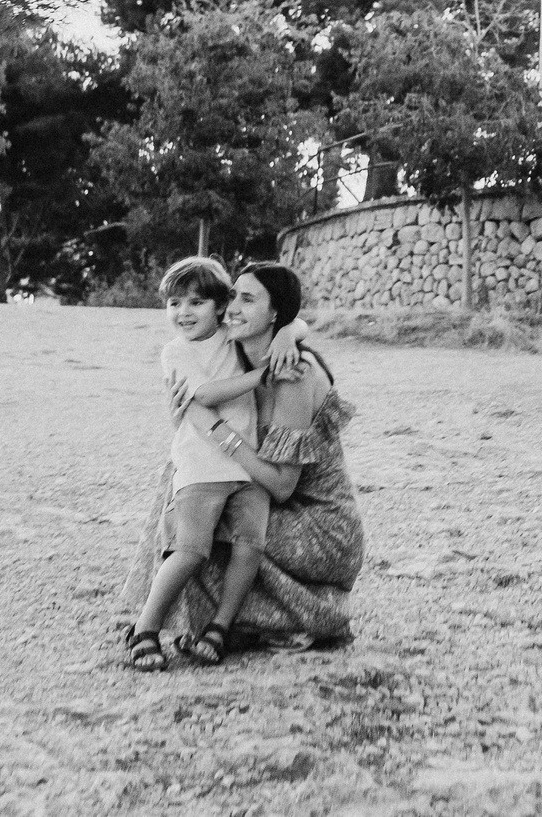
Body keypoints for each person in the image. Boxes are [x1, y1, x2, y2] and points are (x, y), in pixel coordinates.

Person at [117, 262, 365, 656]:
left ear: (275, 313)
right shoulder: (237, 353)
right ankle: (171, 621)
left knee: (213, 524)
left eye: (247, 300)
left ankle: (235, 624)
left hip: (317, 522)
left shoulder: (293, 374)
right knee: (183, 484)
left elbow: (283, 487)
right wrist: (289, 330)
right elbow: (294, 322)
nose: (232, 307)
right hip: (263, 491)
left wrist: (217, 432)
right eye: (232, 295)